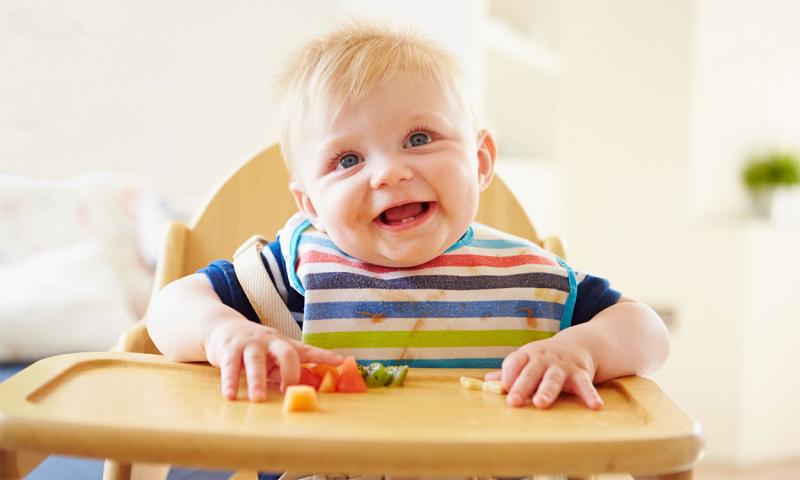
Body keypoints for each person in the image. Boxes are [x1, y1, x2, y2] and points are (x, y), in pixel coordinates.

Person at [146, 23, 670, 414]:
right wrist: (224, 333)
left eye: (419, 139)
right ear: (311, 207)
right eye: (348, 160)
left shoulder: (523, 276)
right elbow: (170, 307)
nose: (389, 173)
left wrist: (582, 349)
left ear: (481, 162)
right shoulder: (293, 272)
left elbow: (646, 330)